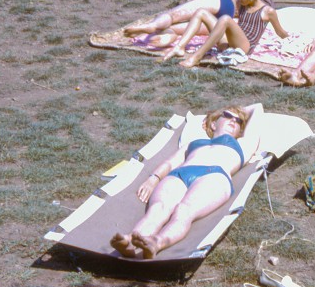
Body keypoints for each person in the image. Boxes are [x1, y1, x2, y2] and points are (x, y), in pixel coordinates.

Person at [110, 103, 264, 259]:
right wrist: (153, 179)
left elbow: (257, 108)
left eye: (238, 121)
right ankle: (130, 241)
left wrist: (238, 111)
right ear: (213, 124)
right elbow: (170, 163)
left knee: (184, 211)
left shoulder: (243, 144)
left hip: (214, 175)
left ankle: (157, 243)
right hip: (180, 174)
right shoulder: (193, 143)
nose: (233, 120)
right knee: (158, 208)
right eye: (228, 116)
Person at [162, 0, 289, 67]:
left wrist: (288, 36)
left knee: (226, 19)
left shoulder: (267, 11)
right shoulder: (242, 4)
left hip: (244, 46)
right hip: (230, 43)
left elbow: (280, 32)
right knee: (201, 12)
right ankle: (179, 47)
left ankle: (197, 56)